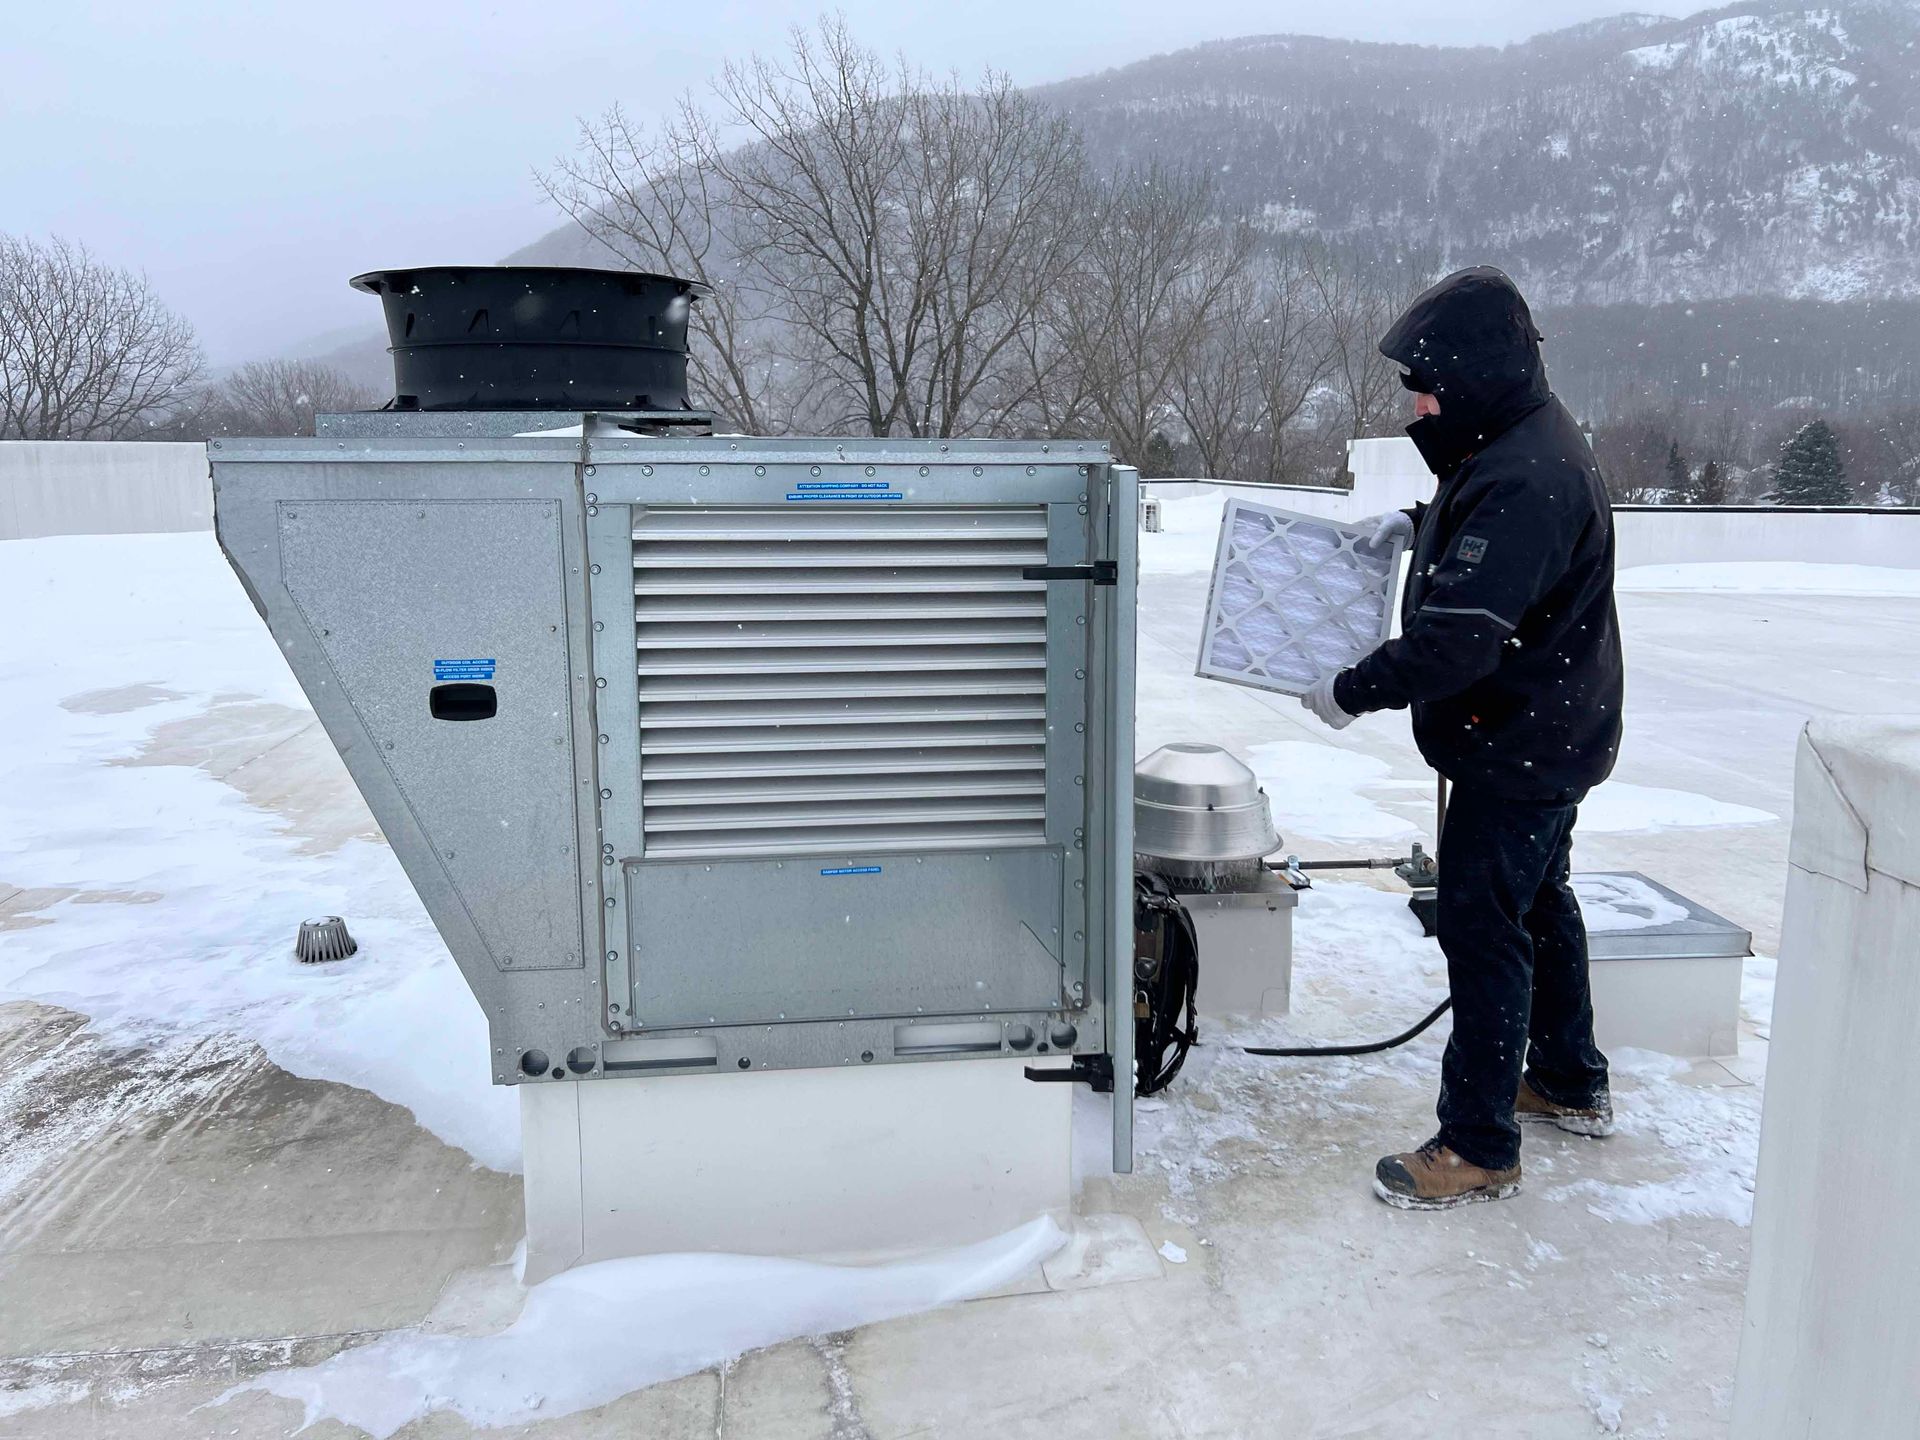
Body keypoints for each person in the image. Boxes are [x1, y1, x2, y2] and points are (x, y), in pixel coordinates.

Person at [1298, 266, 1624, 1210]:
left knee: (1486, 932)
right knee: (1541, 902)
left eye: (1427, 384)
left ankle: (1480, 1144)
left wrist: (1351, 687)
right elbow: (1481, 520)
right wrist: (1407, 527)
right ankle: (1568, 1077)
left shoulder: (1527, 473)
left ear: (1477, 375)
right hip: (1550, 732)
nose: (1419, 404)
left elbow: (1458, 643)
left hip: (1517, 743)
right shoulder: (1520, 441)